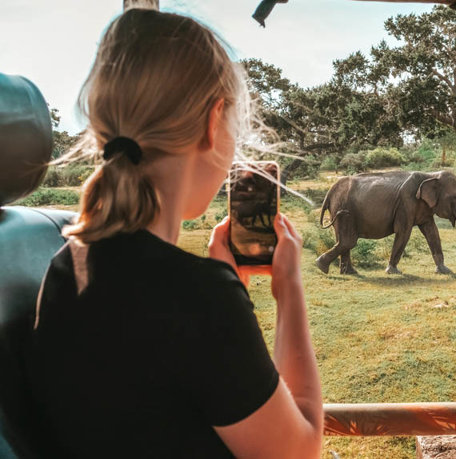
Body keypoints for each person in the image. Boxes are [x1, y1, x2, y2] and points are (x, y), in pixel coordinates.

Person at [28, 8, 322, 458]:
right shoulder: (201, 298)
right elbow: (298, 450)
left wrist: (225, 290)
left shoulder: (66, 265)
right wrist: (289, 290)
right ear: (212, 122)